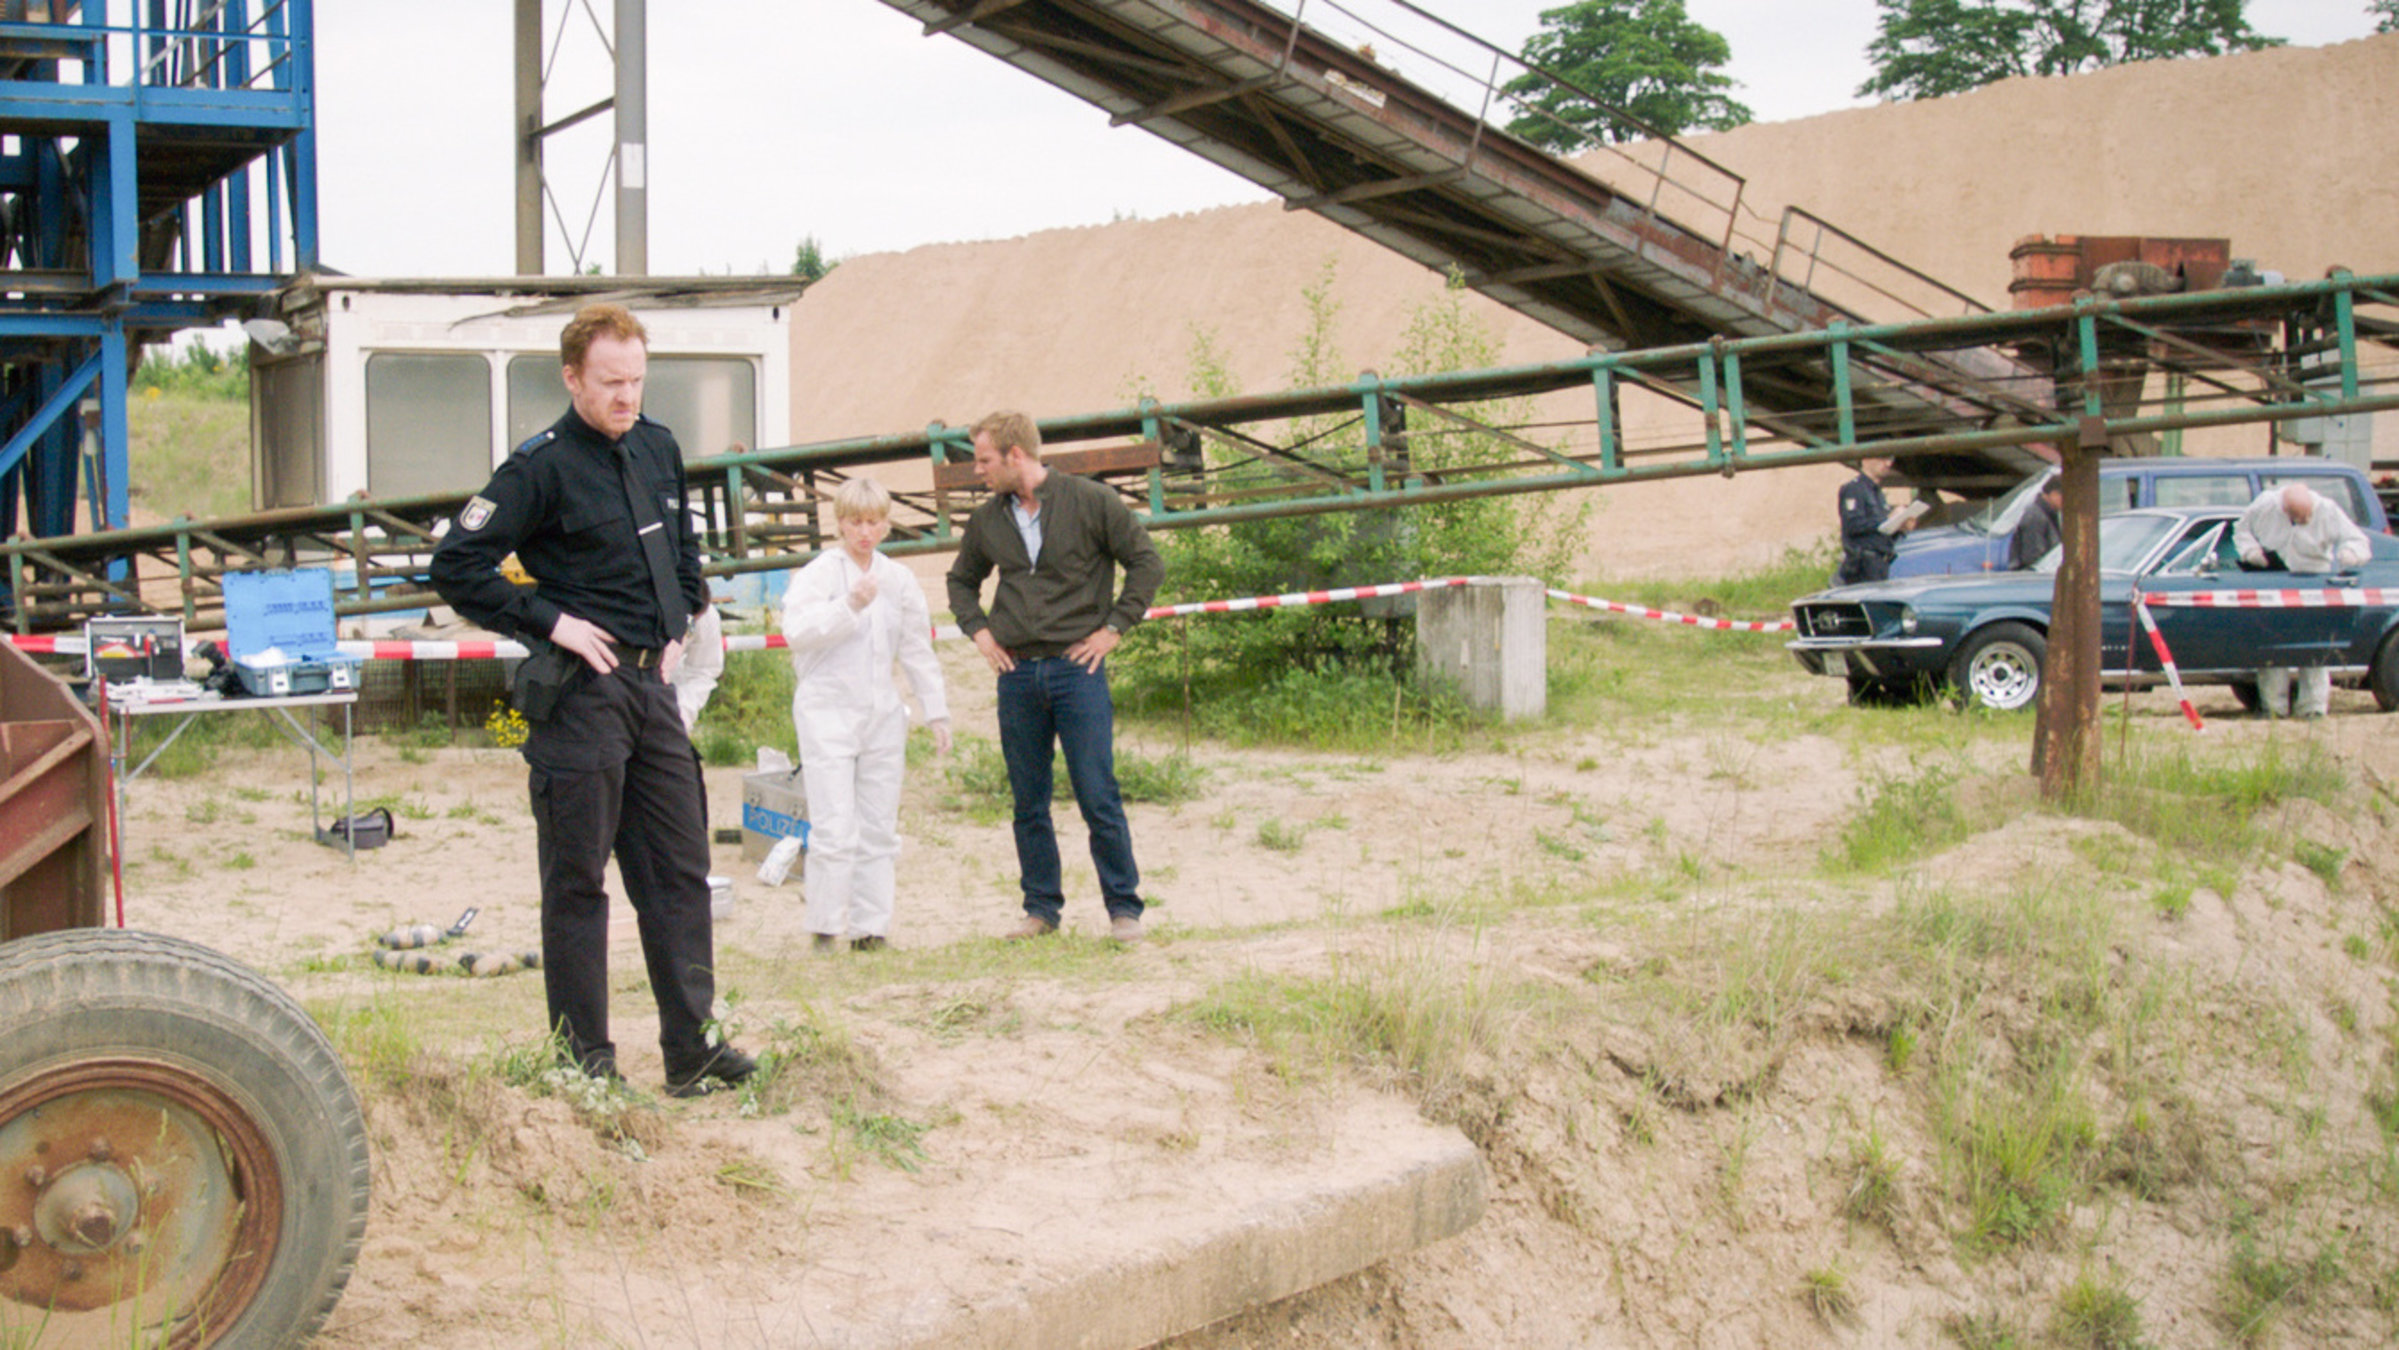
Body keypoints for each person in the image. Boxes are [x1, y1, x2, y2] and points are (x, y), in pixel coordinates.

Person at [429, 302, 757, 1097]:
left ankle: (694, 1048)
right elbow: (457, 564)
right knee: (578, 882)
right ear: (572, 376)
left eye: (637, 380)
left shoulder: (658, 446)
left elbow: (684, 551)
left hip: (653, 688)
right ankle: (586, 1065)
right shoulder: (538, 468)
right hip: (581, 696)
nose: (627, 396)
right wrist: (553, 621)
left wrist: (680, 621)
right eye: (611, 382)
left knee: (680, 873)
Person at [945, 410, 1163, 943]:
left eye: (985, 460)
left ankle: (1123, 909)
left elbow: (1146, 564)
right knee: (1028, 800)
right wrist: (980, 633)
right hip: (1017, 675)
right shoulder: (987, 520)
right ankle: (1041, 910)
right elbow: (960, 582)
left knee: (1097, 791)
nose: (979, 471)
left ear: (1015, 455)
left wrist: (1114, 627)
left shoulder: (1092, 502)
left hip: (1076, 670)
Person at [780, 477, 952, 952]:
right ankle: (825, 925)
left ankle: (870, 928)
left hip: (880, 710)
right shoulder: (818, 574)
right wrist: (849, 606)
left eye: (873, 522)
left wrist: (934, 710)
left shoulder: (898, 580)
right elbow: (798, 631)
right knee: (835, 824)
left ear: (886, 525)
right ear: (840, 524)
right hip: (827, 710)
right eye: (855, 522)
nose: (864, 532)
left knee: (878, 824)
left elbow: (916, 647)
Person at [2234, 481, 2372, 719]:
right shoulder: (2265, 505)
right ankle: (2273, 708)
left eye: (2306, 516)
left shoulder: (2328, 510)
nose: (2303, 520)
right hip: (2273, 582)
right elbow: (2241, 530)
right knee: (2272, 649)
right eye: (2297, 517)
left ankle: (2313, 707)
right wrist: (2251, 553)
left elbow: (2358, 541)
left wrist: (2350, 555)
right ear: (2284, 510)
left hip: (2313, 584)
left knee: (2313, 648)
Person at [1836, 457, 1916, 585]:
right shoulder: (1854, 489)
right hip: (1862, 565)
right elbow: (1853, 526)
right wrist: (1888, 519)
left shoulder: (1877, 493)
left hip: (1880, 562)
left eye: (1891, 459)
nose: (1888, 464)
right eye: (1883, 458)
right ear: (1866, 459)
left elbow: (1880, 531)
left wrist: (1899, 525)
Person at [2008, 479, 2064, 571]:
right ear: (2054, 494)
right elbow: (2032, 558)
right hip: (2032, 578)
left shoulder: (2049, 514)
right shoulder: (2036, 517)